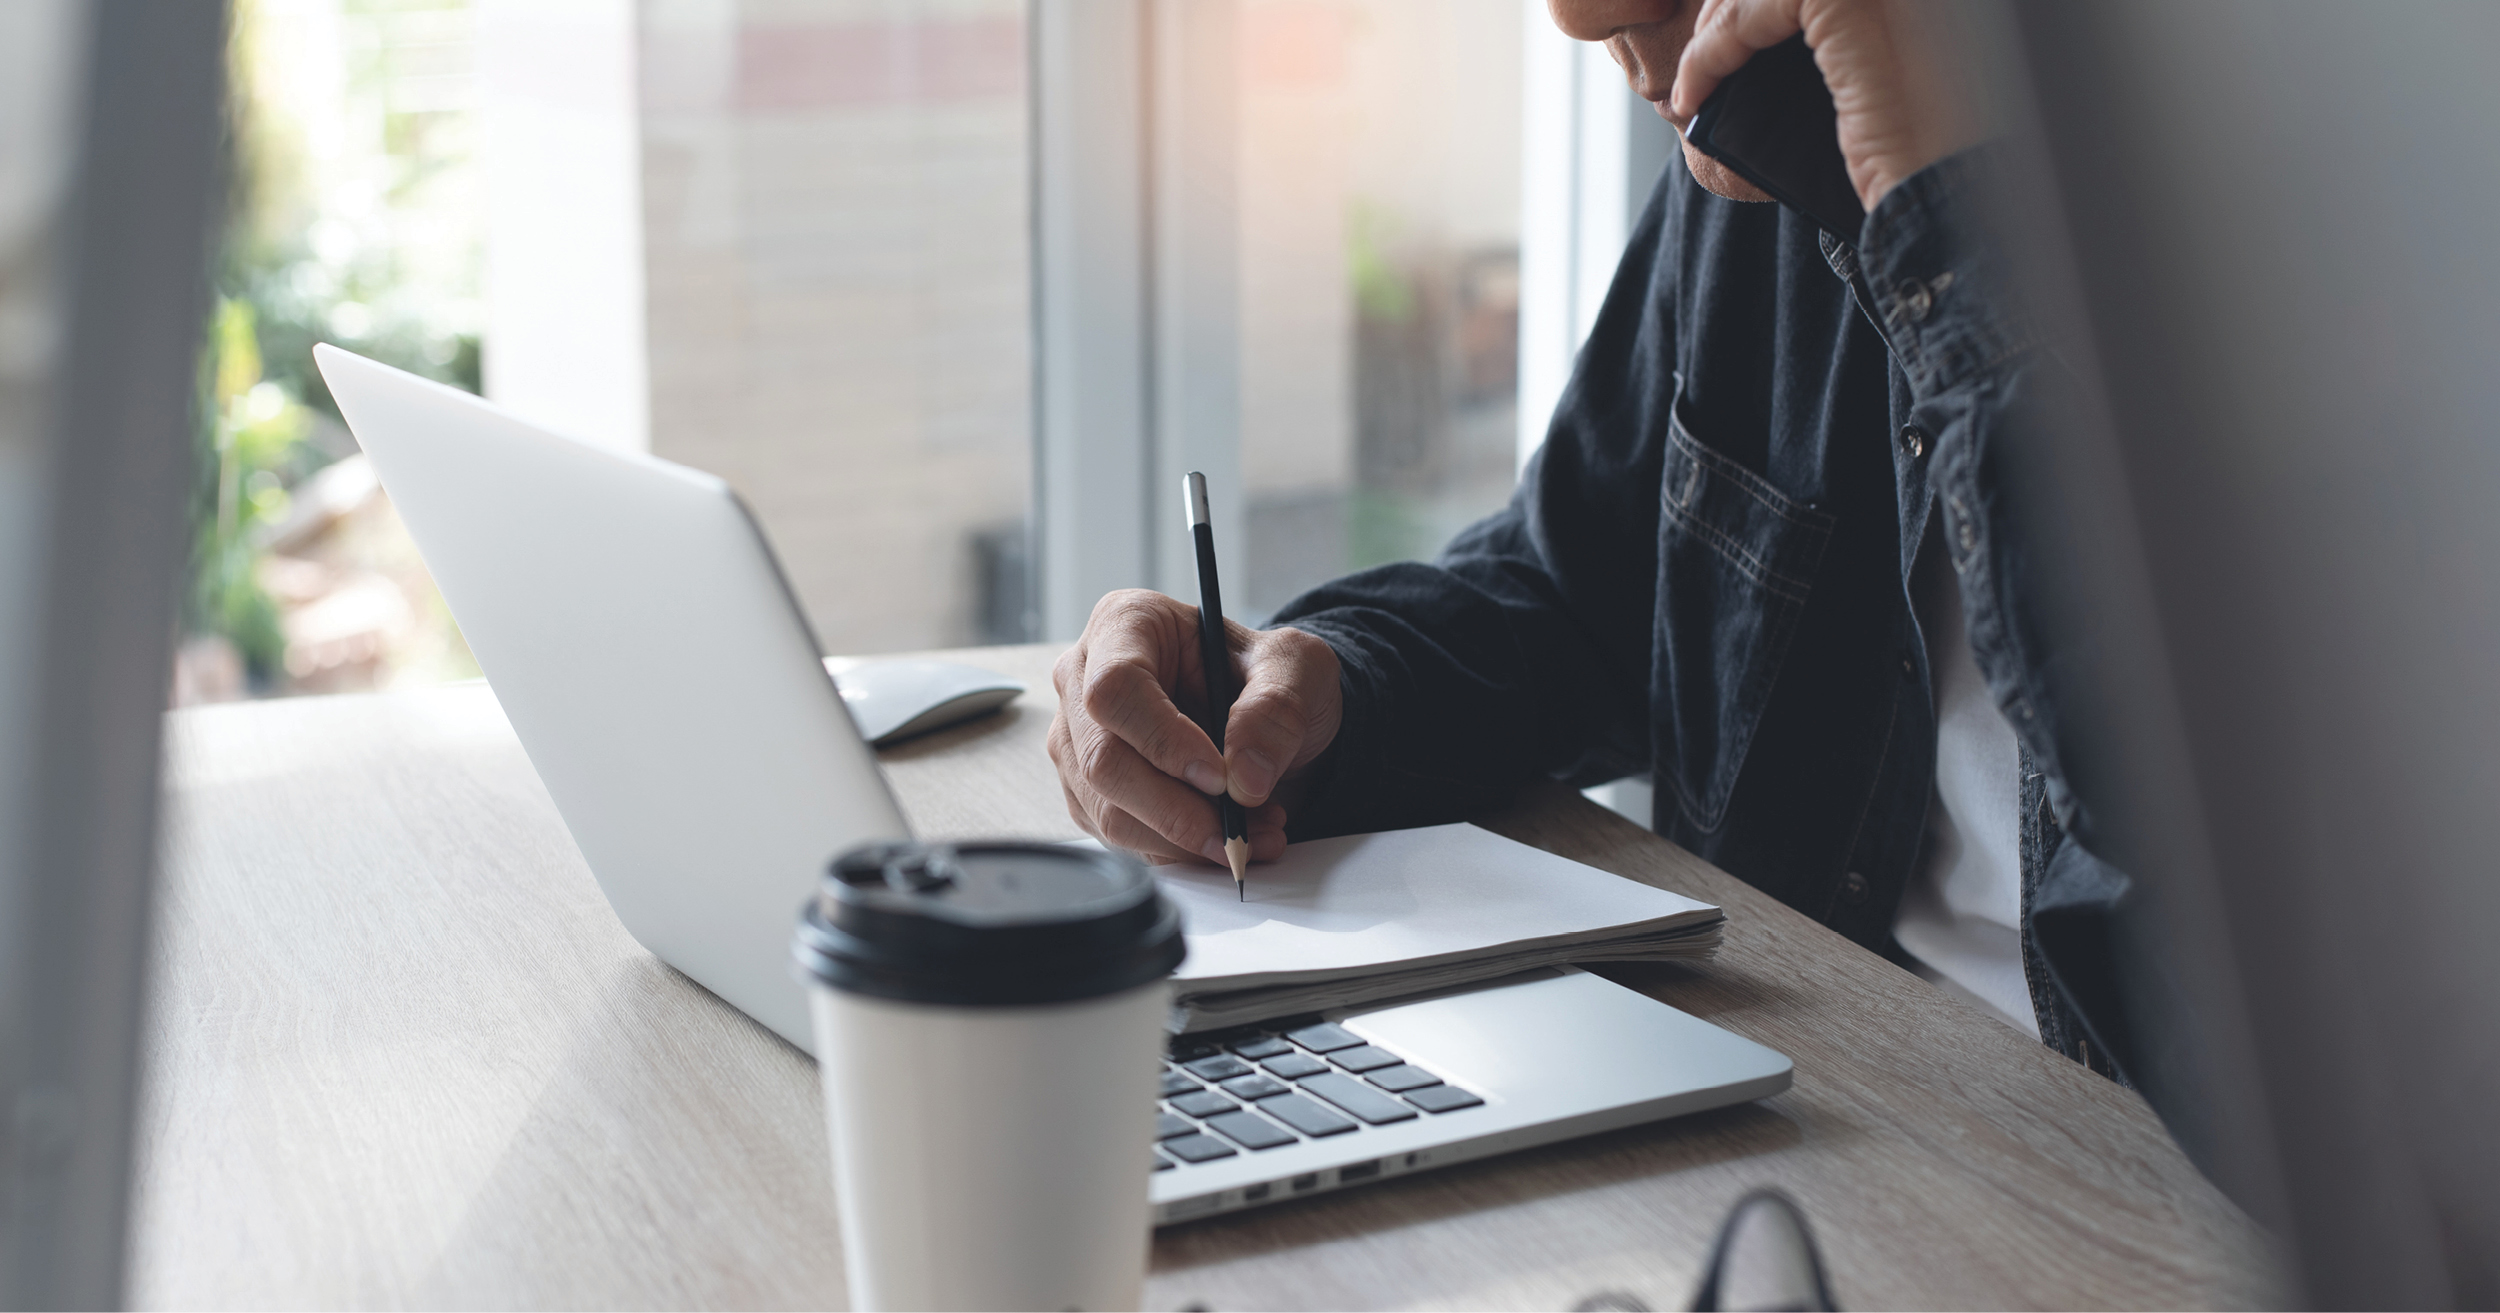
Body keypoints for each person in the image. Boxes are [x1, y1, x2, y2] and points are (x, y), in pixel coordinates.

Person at [1047, 0, 2138, 1081]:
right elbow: (1577, 596)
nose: (1579, 20)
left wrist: (1943, 241)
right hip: (1814, 1093)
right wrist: (1316, 687)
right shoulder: (1762, 161)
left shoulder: (2268, 209)